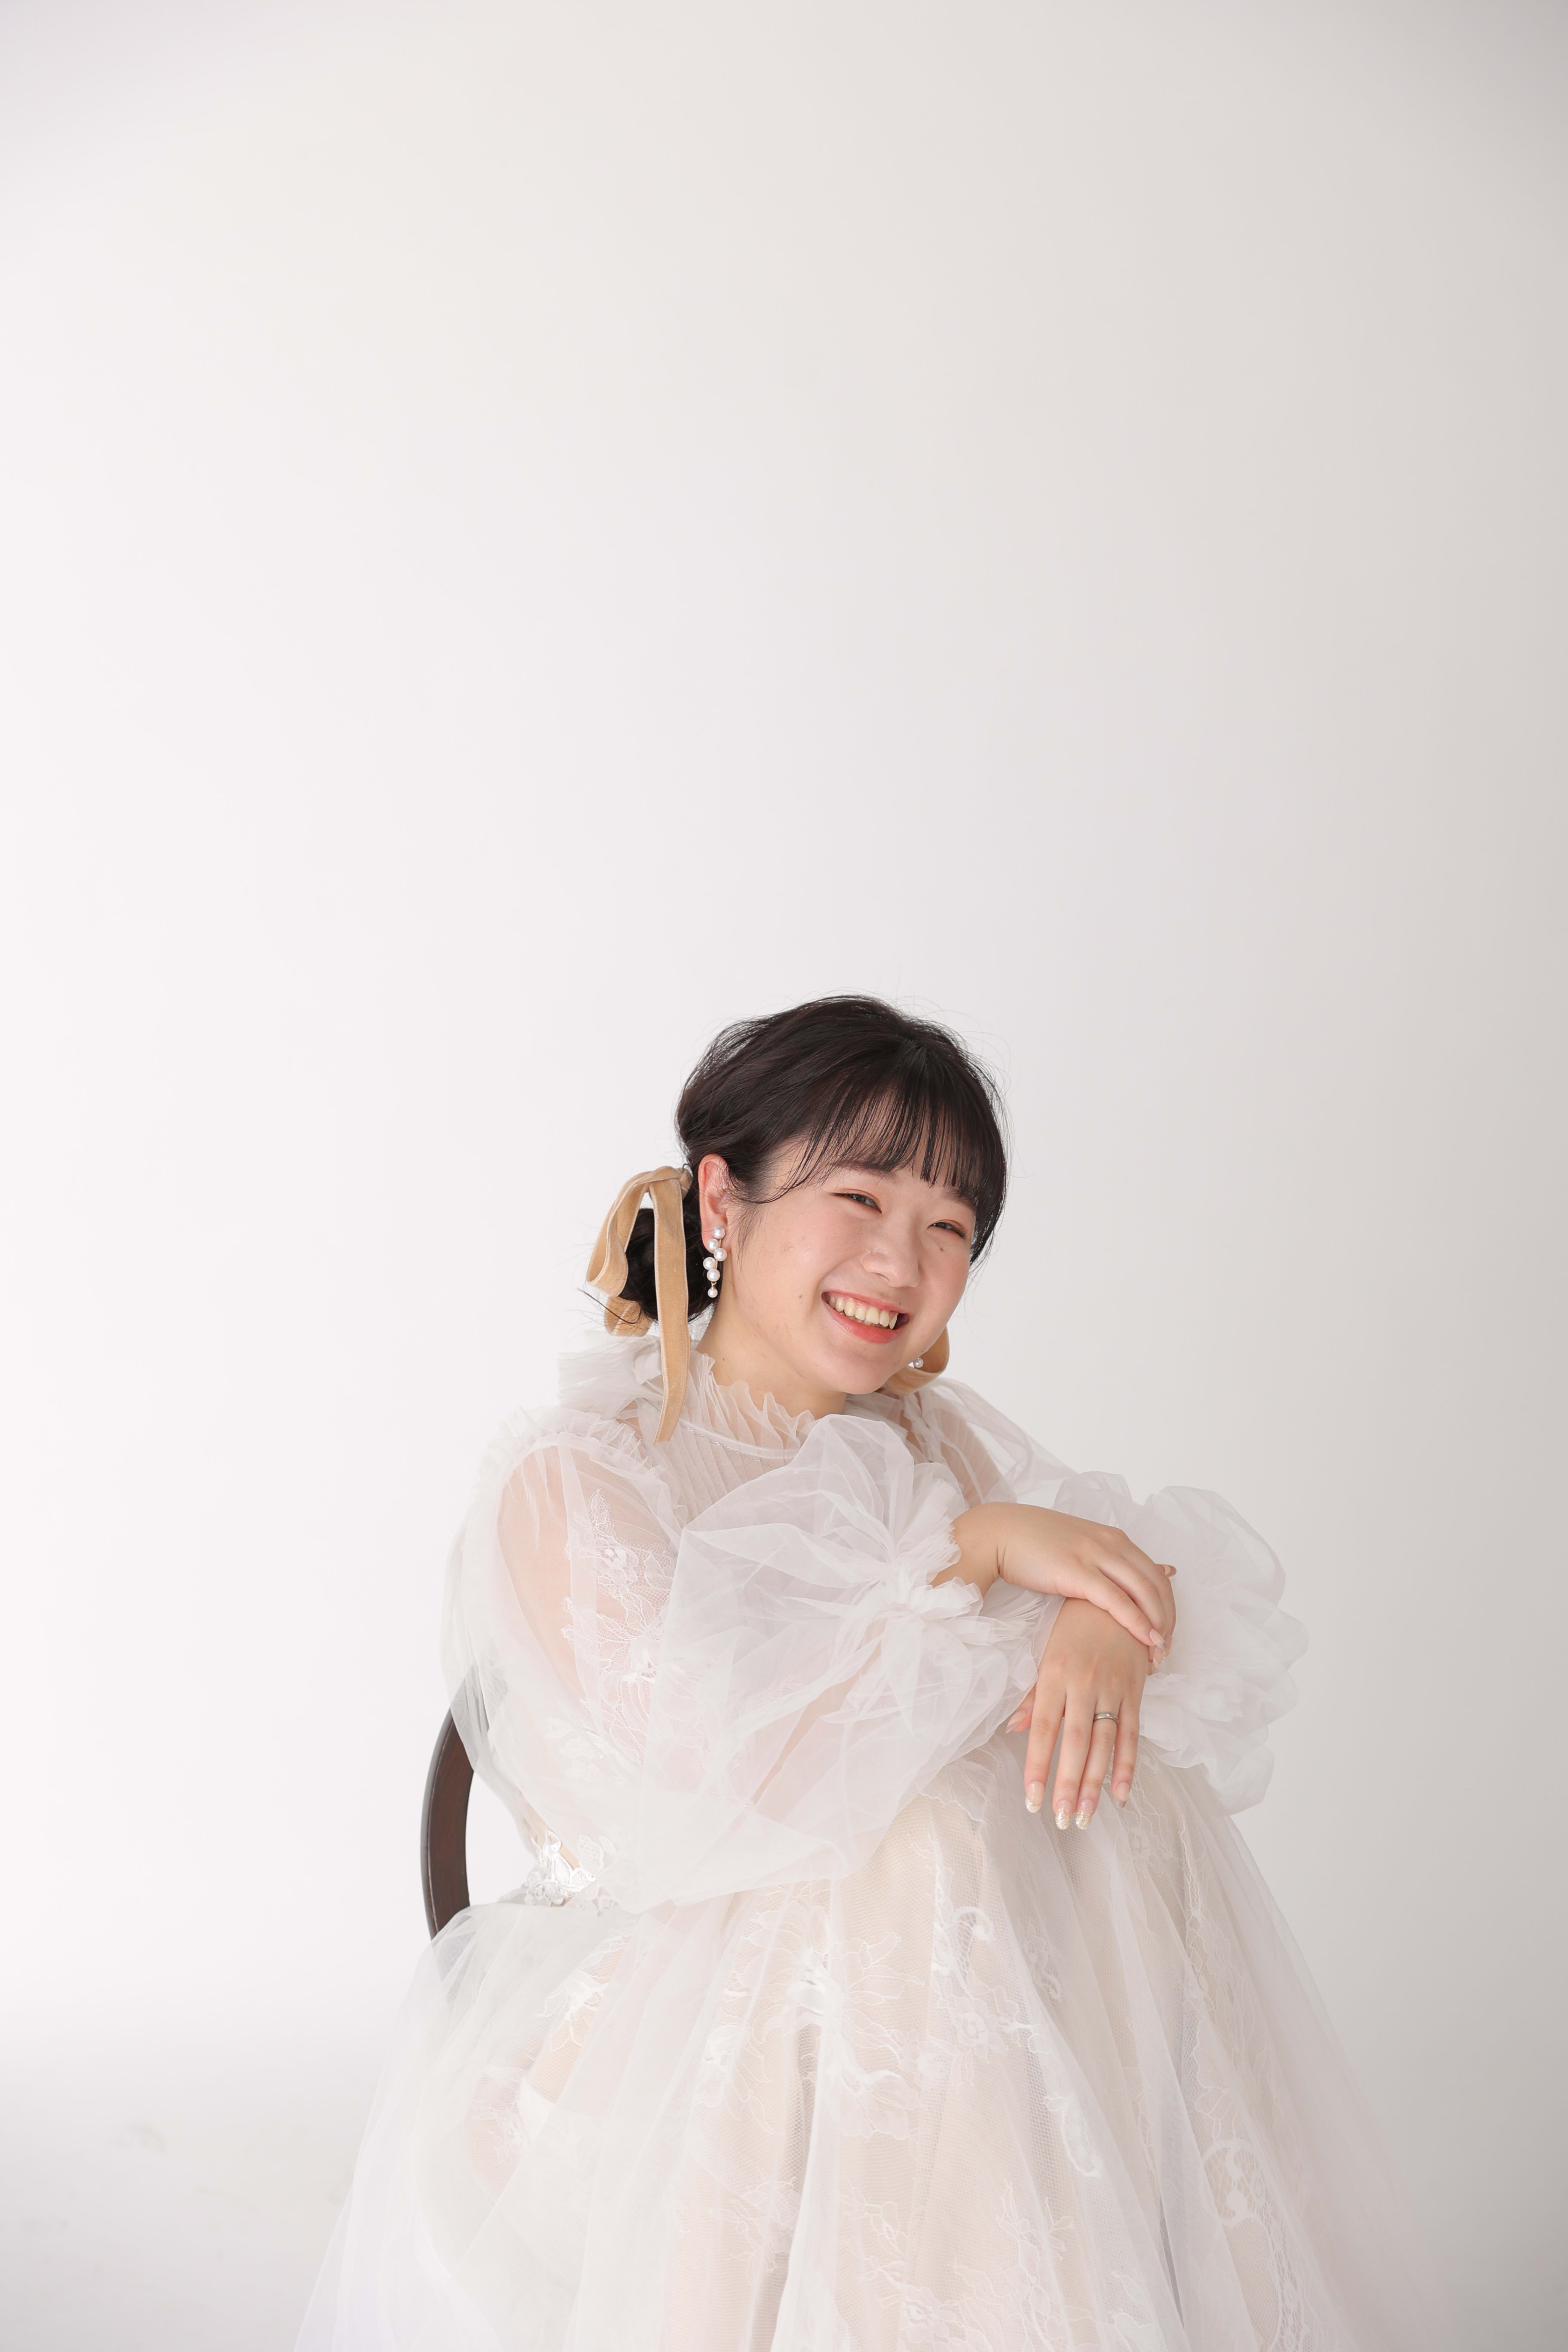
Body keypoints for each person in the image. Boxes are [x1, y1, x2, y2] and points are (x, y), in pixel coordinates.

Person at [298, 996, 1447, 2350]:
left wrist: (1097, 1622)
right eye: (858, 1198)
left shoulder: (930, 1439)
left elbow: (1127, 1592)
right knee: (926, 1844)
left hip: (931, 1996)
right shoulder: (586, 1473)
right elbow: (715, 1788)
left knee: (1104, 1794)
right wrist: (977, 1553)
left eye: (950, 1227)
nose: (901, 1261)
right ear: (720, 1201)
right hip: (644, 2025)